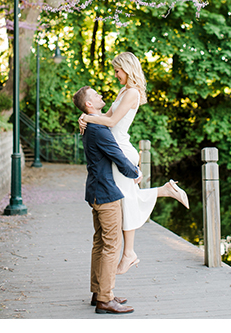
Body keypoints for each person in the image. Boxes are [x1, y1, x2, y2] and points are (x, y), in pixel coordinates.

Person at [78, 52, 189, 274]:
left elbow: (110, 121)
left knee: (127, 199)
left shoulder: (132, 93)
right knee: (127, 196)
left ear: (127, 69)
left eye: (117, 71)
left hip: (121, 149)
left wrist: (87, 118)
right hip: (116, 146)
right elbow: (107, 115)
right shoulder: (123, 91)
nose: (116, 75)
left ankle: (129, 253)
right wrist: (85, 116)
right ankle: (165, 191)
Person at [73, 85, 138, 315]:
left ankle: (99, 292)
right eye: (96, 95)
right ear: (89, 104)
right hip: (106, 193)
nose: (101, 95)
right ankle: (105, 300)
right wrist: (136, 174)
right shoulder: (98, 129)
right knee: (111, 245)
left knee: (100, 243)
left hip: (95, 190)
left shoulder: (91, 123)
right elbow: (117, 156)